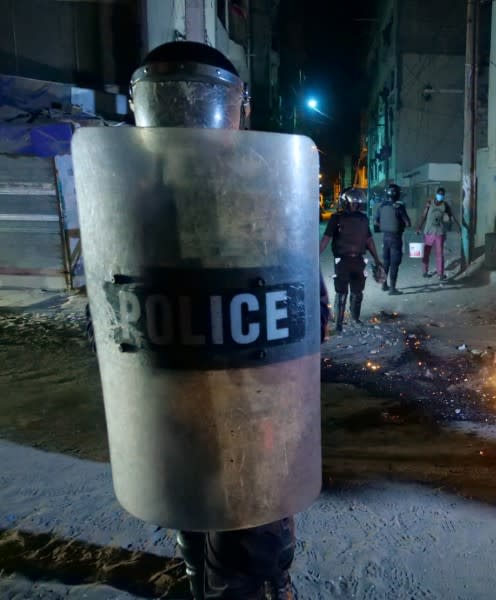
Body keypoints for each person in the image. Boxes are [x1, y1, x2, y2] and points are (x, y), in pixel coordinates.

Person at [123, 41, 311, 600]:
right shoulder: (240, 183)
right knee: (226, 526)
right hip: (220, 404)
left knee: (224, 523)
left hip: (223, 403)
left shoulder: (141, 189)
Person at [320, 187, 385, 331]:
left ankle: (355, 319)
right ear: (346, 203)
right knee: (341, 292)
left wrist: (377, 259)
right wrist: (314, 255)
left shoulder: (363, 219)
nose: (355, 205)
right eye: (352, 203)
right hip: (342, 260)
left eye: (357, 203)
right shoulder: (336, 218)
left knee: (357, 292)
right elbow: (326, 239)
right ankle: (338, 323)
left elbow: (369, 240)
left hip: (359, 260)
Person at [374, 183, 412, 295]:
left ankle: (384, 285)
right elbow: (408, 223)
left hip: (385, 238)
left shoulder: (381, 206)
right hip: (396, 238)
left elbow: (376, 221)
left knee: (386, 262)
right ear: (397, 194)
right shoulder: (399, 207)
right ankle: (392, 289)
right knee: (395, 263)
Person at [416, 186, 456, 281]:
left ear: (444, 196)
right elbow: (423, 215)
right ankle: (425, 271)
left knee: (439, 254)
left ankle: (440, 274)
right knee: (426, 253)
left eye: (442, 195)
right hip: (428, 231)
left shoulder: (445, 205)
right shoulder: (429, 203)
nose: (440, 196)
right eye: (439, 194)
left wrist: (457, 226)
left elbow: (451, 216)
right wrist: (419, 227)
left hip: (439, 232)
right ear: (436, 194)